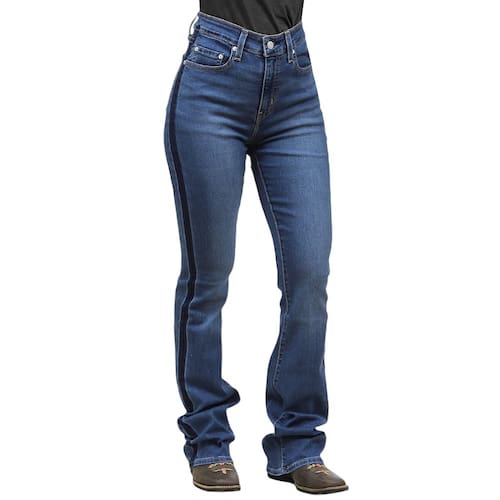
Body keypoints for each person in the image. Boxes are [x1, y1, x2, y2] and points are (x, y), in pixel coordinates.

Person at [163, 1, 348, 494]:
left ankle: (298, 444)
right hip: (213, 76)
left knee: (309, 275)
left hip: (294, 79)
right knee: (207, 279)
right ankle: (209, 441)